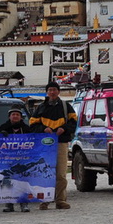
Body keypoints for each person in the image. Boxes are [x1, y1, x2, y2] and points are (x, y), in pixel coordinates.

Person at [30, 81, 77, 210]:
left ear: (58, 91)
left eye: (54, 90)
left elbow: (74, 122)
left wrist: (64, 128)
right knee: (44, 172)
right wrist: (43, 129)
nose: (52, 92)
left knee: (61, 174)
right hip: (44, 145)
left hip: (61, 143)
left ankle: (60, 200)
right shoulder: (40, 107)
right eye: (50, 90)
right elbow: (32, 125)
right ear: (47, 92)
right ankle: (44, 200)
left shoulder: (66, 106)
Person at [0, 107, 31, 213]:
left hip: (22, 159)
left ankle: (23, 203)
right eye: (13, 114)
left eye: (17, 114)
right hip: (7, 159)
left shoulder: (27, 129)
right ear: (9, 116)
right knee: (7, 180)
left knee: (22, 181)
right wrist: (0, 134)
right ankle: (9, 203)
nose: (15, 116)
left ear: (21, 117)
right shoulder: (3, 128)